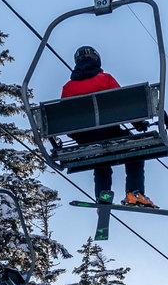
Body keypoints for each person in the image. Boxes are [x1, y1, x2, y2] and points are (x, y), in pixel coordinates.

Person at [60, 46, 156, 208]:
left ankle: (102, 196)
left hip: (86, 138)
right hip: (110, 132)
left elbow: (66, 120)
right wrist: (138, 124)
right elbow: (123, 106)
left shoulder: (68, 88)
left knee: (100, 161)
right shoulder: (105, 80)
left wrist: (78, 136)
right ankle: (135, 192)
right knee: (134, 154)